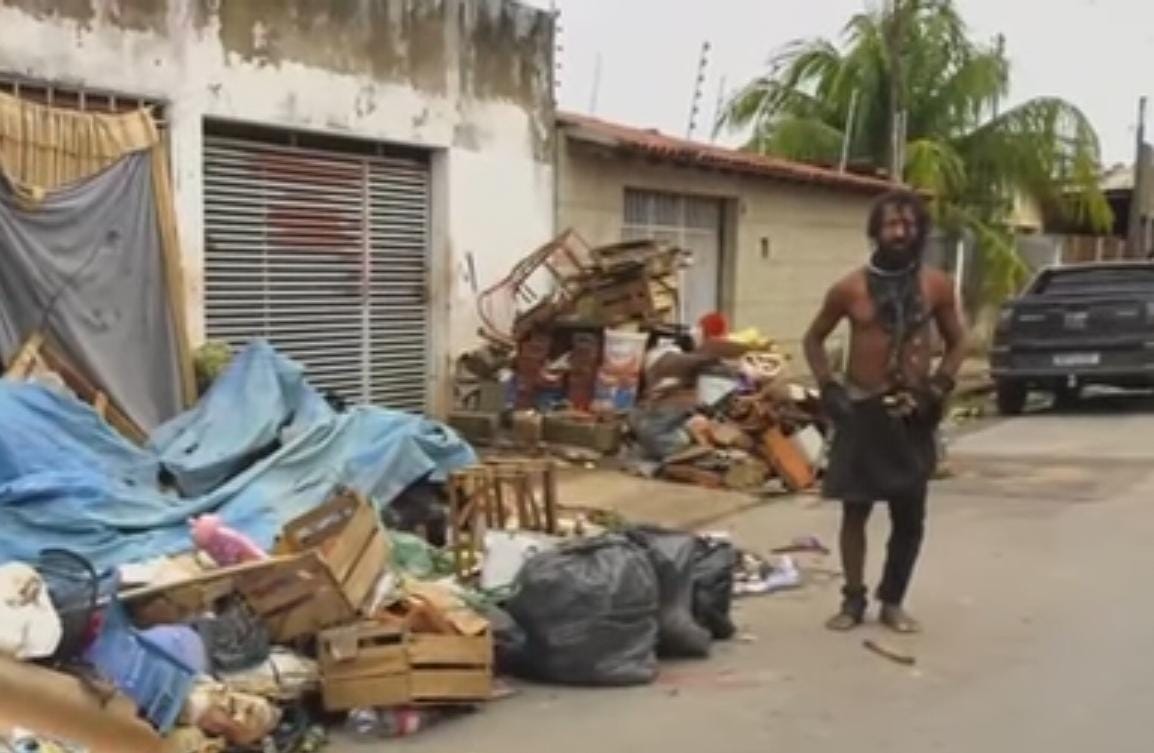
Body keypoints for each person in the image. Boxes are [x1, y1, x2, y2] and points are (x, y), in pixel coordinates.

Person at [802, 189, 967, 634]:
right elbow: (813, 340)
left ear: (920, 232)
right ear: (876, 231)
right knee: (855, 511)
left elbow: (958, 342)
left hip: (913, 412)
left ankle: (892, 600)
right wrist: (829, 386)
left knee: (909, 515)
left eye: (909, 225)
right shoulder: (848, 289)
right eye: (892, 224)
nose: (900, 232)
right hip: (861, 409)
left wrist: (940, 385)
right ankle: (852, 602)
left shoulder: (936, 285)